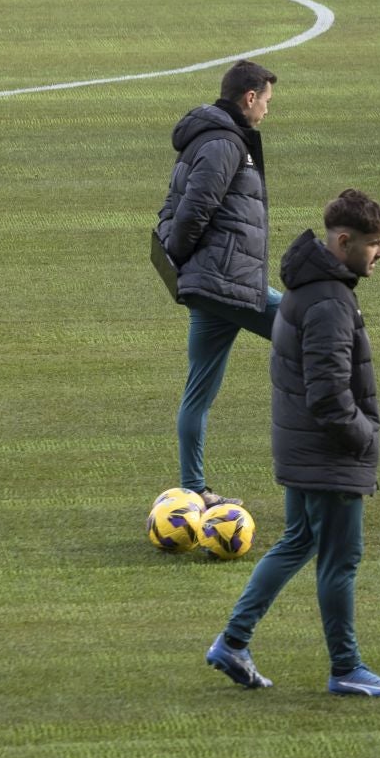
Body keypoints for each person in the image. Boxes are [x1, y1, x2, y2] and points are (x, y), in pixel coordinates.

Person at [206, 190, 380, 697]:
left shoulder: (311, 287)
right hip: (327, 456)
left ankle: (233, 642)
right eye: (375, 244)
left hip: (301, 449)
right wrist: (366, 439)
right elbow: (329, 396)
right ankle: (347, 668)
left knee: (298, 541)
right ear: (344, 242)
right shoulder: (329, 304)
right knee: (341, 560)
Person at [153, 59, 280, 507]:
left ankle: (192, 490)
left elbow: (170, 207)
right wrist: (187, 258)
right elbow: (191, 212)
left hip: (215, 284)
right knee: (315, 326)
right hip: (228, 283)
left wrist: (183, 262)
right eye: (265, 101)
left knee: (198, 391)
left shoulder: (202, 141)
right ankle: (322, 461)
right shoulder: (225, 144)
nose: (266, 110)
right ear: (249, 98)